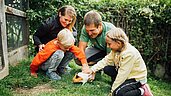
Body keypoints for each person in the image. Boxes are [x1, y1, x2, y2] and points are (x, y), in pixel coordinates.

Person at [90, 27, 153, 96]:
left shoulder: (129, 53)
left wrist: (112, 91)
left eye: (109, 44)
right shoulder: (116, 49)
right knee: (107, 69)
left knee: (117, 93)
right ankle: (120, 87)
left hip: (136, 78)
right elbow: (106, 60)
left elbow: (122, 75)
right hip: (126, 74)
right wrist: (92, 69)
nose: (108, 46)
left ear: (118, 43)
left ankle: (142, 91)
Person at [33, 5, 77, 74]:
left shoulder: (69, 25)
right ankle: (51, 71)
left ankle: (61, 67)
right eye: (65, 19)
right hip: (47, 52)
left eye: (70, 21)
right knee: (59, 53)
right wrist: (39, 44)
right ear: (60, 14)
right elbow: (35, 36)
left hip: (59, 48)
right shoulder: (48, 24)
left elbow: (74, 34)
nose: (67, 23)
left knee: (73, 48)